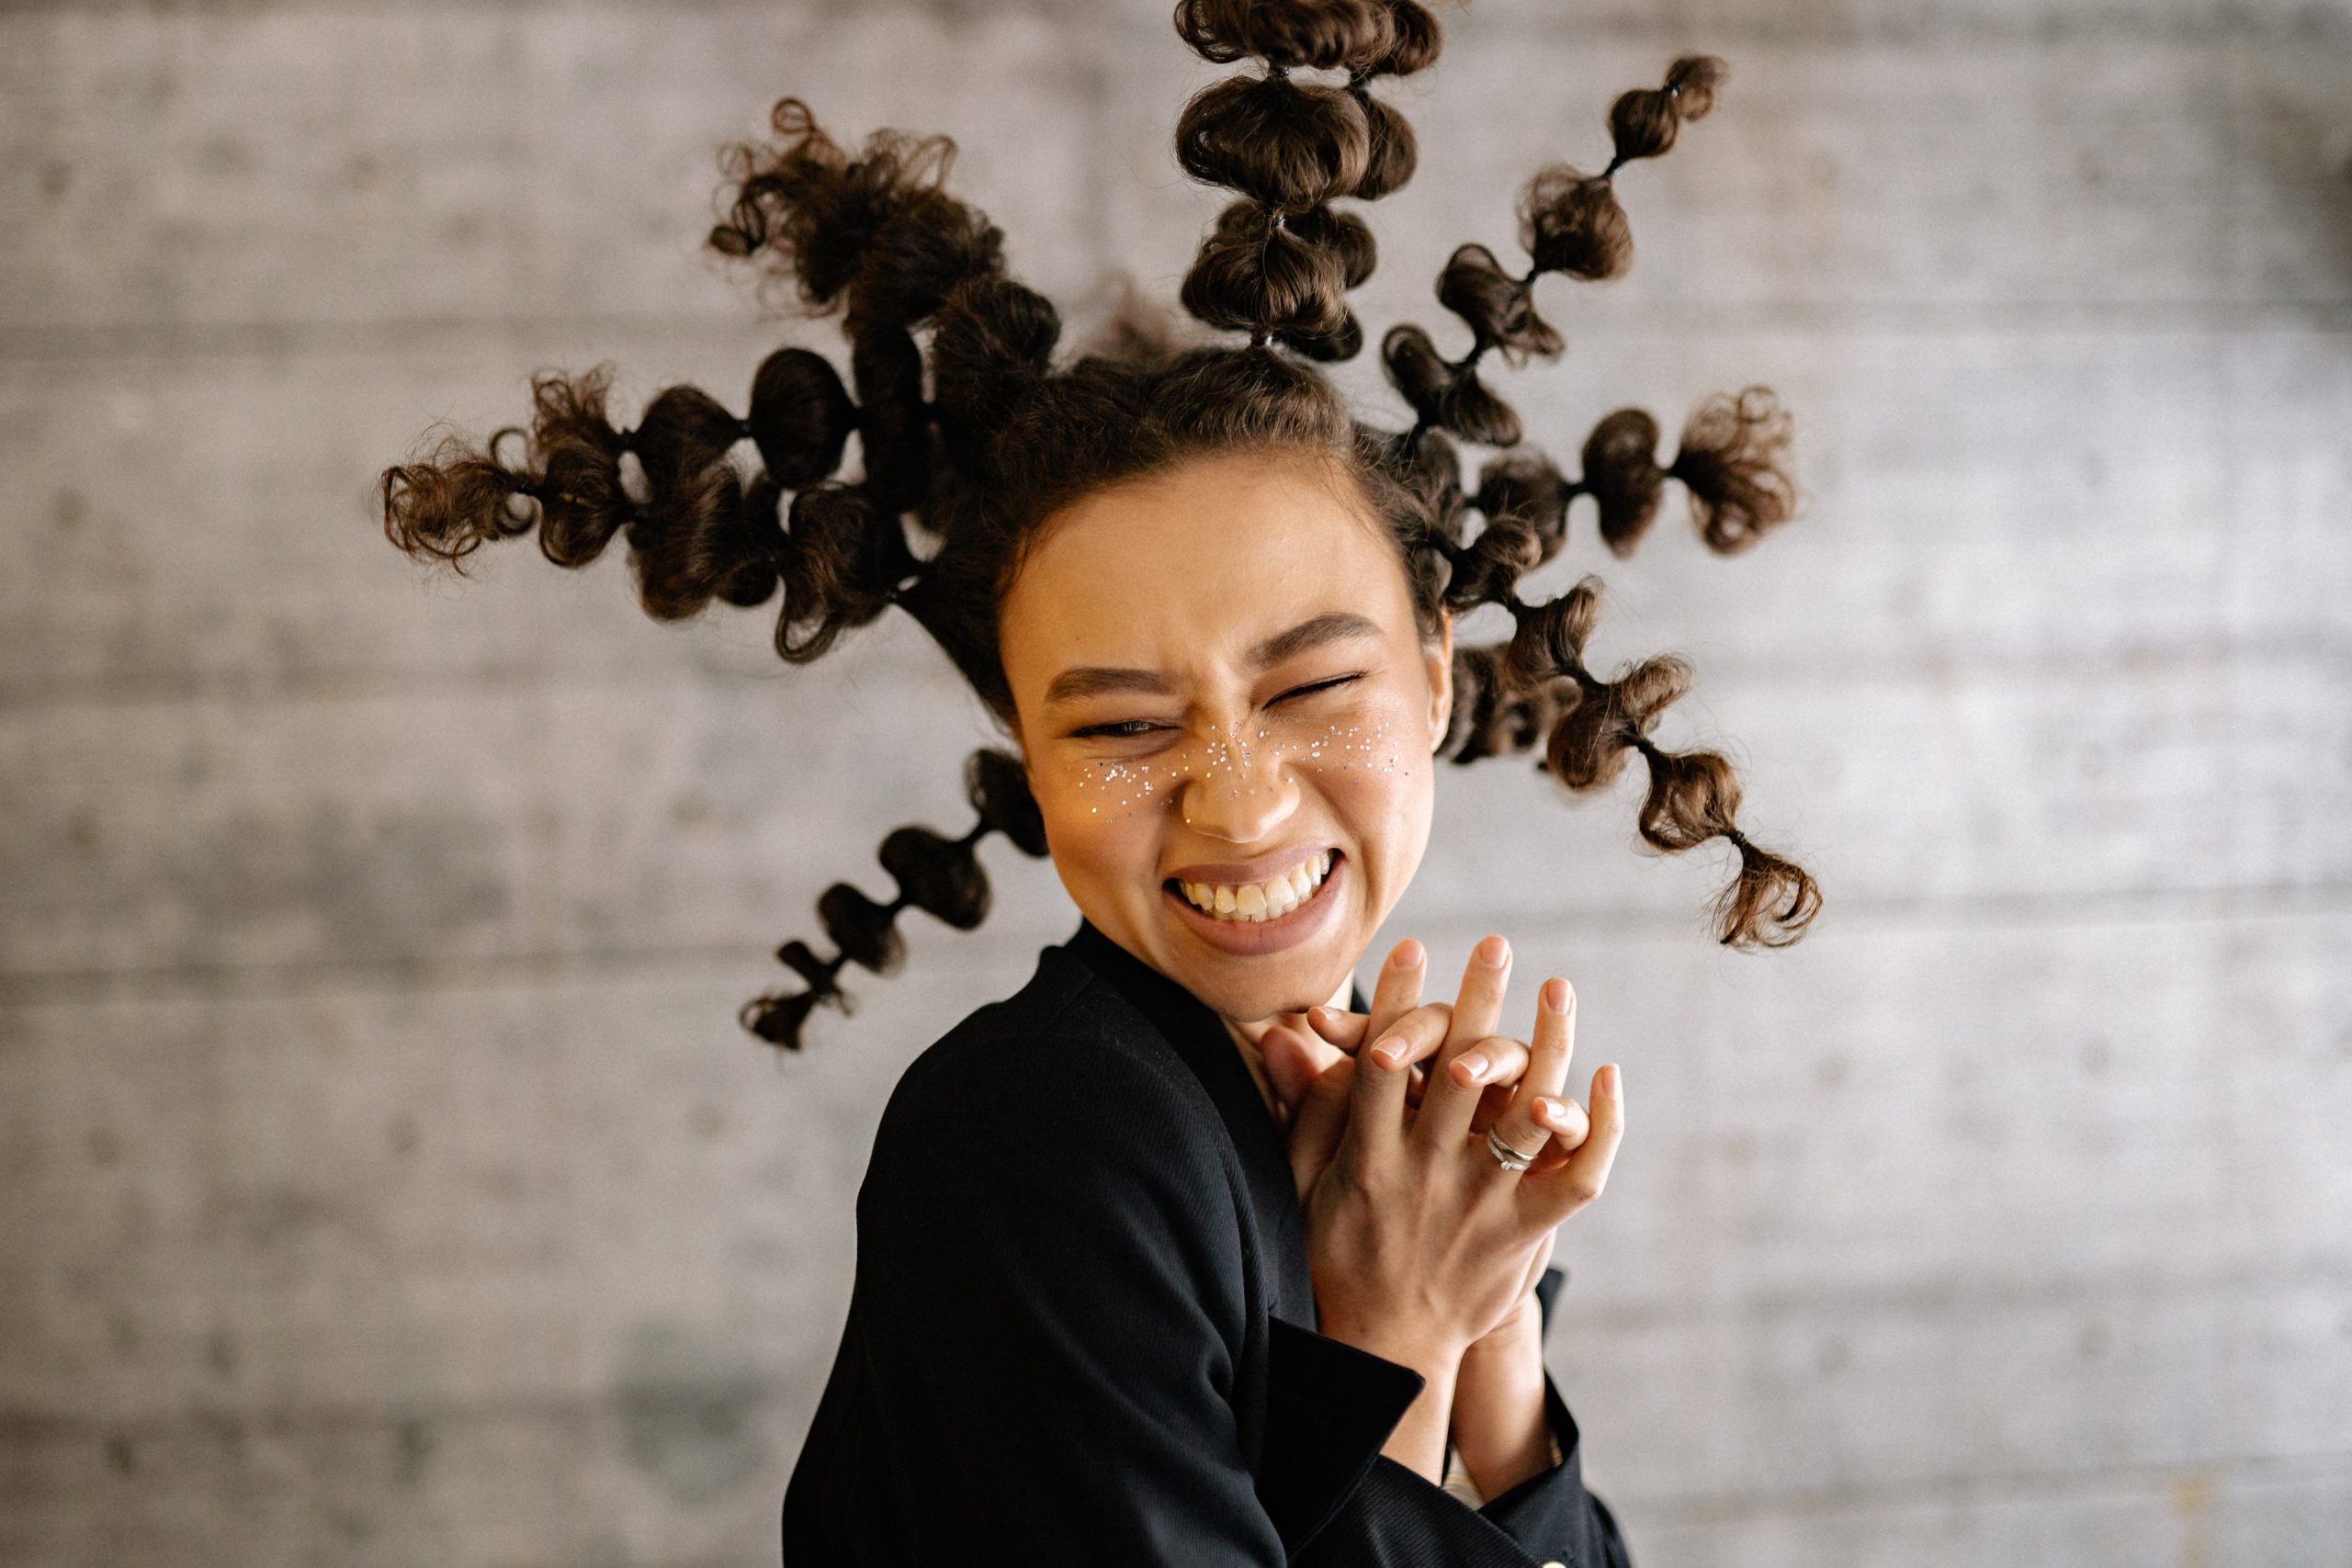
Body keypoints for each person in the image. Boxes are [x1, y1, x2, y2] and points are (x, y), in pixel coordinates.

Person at [378, 3, 1820, 1561]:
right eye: (1122, 727)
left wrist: (1494, 1350)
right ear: (1027, 756)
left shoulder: (1369, 1141)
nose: (1239, 803)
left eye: (1314, 685)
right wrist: (1394, 1330)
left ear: (1438, 672)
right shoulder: (1039, 1137)